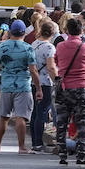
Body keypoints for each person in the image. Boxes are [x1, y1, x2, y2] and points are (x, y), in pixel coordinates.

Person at [53, 17, 85, 168]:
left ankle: (62, 155)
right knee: (82, 122)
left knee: (62, 123)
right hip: (83, 88)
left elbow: (56, 61)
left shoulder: (60, 46)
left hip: (64, 88)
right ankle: (81, 155)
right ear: (81, 30)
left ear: (67, 31)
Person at [0, 19, 36, 155]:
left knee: (3, 117)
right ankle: (21, 147)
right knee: (21, 117)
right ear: (24, 33)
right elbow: (33, 70)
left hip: (6, 85)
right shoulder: (28, 48)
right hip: (23, 86)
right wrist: (38, 88)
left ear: (10, 32)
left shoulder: (1, 47)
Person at [29, 21, 57, 153]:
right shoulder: (49, 47)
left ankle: (35, 142)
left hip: (34, 80)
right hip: (45, 82)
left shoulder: (34, 44)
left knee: (35, 112)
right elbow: (51, 67)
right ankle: (39, 143)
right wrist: (56, 79)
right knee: (42, 112)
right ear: (52, 33)